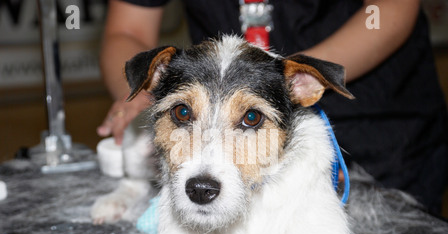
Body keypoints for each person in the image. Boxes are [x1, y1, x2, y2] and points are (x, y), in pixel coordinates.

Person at [97, 0, 448, 216]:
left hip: (385, 131)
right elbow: (128, 28)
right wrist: (152, 95)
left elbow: (392, 7)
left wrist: (288, 81)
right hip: (221, 139)